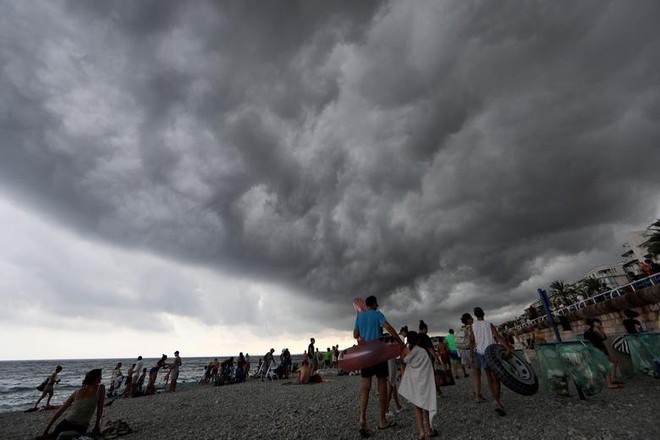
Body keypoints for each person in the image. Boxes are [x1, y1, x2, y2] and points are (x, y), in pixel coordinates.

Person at [354, 295, 404, 437]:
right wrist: (399, 342)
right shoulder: (378, 314)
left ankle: (362, 418)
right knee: (382, 383)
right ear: (374, 304)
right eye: (377, 303)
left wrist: (363, 333)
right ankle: (382, 420)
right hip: (377, 352)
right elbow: (388, 327)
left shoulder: (360, 317)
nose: (378, 305)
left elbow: (355, 334)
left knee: (365, 387)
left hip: (365, 354)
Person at [40, 369, 105, 439]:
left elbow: (60, 411)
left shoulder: (77, 392)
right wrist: (97, 425)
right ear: (95, 377)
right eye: (100, 376)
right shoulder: (100, 388)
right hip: (80, 427)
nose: (101, 378)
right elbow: (100, 409)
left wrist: (46, 430)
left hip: (66, 424)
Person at [469, 306, 510, 416]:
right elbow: (497, 337)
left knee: (489, 377)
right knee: (496, 377)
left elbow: (472, 341)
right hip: (491, 352)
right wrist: (507, 348)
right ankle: (497, 401)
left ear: (475, 316)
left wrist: (471, 356)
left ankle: (495, 399)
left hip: (480, 353)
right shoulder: (489, 324)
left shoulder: (472, 326)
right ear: (483, 314)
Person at [399, 331, 438, 440]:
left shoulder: (407, 351)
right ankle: (429, 429)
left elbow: (403, 362)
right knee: (426, 405)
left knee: (417, 407)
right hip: (424, 383)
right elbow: (428, 368)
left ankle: (421, 431)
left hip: (414, 384)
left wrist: (403, 353)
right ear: (418, 340)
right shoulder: (422, 352)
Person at [584, 318, 623, 389]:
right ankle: (609, 384)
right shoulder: (594, 329)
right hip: (599, 350)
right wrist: (600, 330)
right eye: (599, 323)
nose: (600, 324)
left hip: (599, 349)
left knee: (614, 361)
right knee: (607, 366)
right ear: (594, 323)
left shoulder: (587, 330)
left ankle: (613, 379)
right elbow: (603, 337)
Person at [418, 320, 443, 396]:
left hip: (418, 360)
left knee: (421, 376)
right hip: (427, 359)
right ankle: (437, 391)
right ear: (424, 328)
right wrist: (437, 359)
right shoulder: (426, 337)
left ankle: (422, 393)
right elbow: (430, 349)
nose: (427, 330)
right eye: (427, 329)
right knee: (432, 375)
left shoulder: (416, 336)